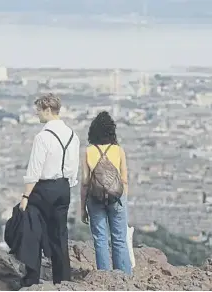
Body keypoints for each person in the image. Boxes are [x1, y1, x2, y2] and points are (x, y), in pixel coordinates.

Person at [19, 93, 80, 286]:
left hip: (43, 189)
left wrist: (25, 195)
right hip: (64, 188)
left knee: (32, 231)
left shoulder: (43, 137)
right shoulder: (73, 135)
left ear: (47, 110)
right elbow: (73, 167)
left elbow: (34, 170)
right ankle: (63, 281)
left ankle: (31, 279)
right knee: (60, 234)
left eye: (38, 111)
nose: (37, 115)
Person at [80, 111, 132, 275]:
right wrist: (123, 201)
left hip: (94, 198)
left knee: (100, 239)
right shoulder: (118, 150)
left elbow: (85, 183)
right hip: (117, 198)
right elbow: (124, 179)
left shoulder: (89, 152)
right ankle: (124, 277)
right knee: (119, 239)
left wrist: (82, 208)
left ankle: (105, 277)